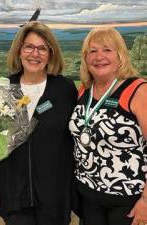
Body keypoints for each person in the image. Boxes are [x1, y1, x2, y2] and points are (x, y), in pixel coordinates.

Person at [0, 21, 78, 225]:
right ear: (19, 51)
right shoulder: (5, 87)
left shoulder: (65, 89)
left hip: (54, 192)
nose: (34, 54)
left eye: (42, 48)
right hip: (15, 191)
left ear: (51, 53)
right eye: (29, 46)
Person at [69, 26, 147, 225]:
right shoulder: (84, 90)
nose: (99, 56)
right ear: (86, 58)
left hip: (128, 200)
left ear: (120, 55)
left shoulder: (138, 91)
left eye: (107, 50)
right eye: (92, 51)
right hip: (88, 196)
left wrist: (146, 200)